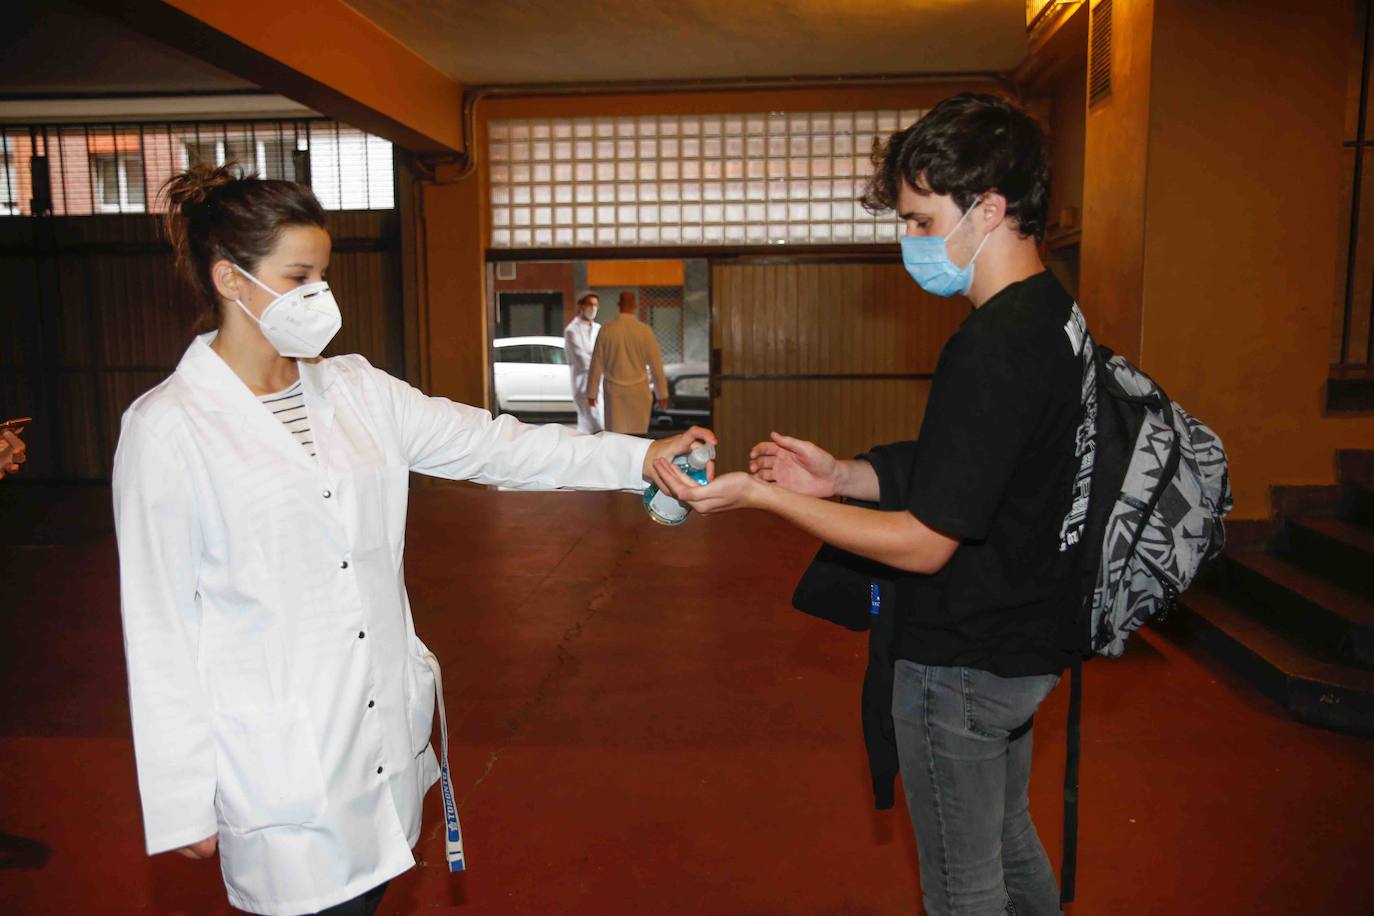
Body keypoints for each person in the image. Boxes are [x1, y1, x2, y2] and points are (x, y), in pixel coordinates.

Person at [112, 164, 714, 916]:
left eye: (323, 275)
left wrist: (638, 458)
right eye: (298, 276)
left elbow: (502, 446)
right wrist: (181, 792)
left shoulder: (358, 390)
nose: (318, 295)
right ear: (231, 281)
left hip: (378, 743)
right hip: (277, 765)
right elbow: (160, 623)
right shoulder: (167, 427)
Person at [654, 94, 1081, 916]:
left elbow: (925, 546)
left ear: (989, 208)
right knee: (1007, 835)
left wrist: (763, 500)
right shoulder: (1054, 316)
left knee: (965, 888)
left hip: (962, 664)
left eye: (922, 221)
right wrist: (843, 475)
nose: (910, 242)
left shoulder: (992, 344)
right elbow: (981, 464)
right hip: (1024, 644)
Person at [586, 291, 668, 434]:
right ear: (635, 305)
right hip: (639, 392)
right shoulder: (645, 331)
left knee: (615, 436)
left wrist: (591, 394)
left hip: (614, 392)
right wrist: (662, 395)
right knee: (638, 436)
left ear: (618, 305)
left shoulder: (607, 330)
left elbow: (596, 364)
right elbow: (656, 365)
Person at [563, 292, 603, 433]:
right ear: (581, 306)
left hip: (600, 381)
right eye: (590, 304)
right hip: (583, 382)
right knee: (592, 420)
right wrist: (599, 361)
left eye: (595, 305)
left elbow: (602, 354)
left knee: (598, 421)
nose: (593, 308)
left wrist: (598, 360)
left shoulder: (598, 328)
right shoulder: (571, 330)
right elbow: (582, 360)